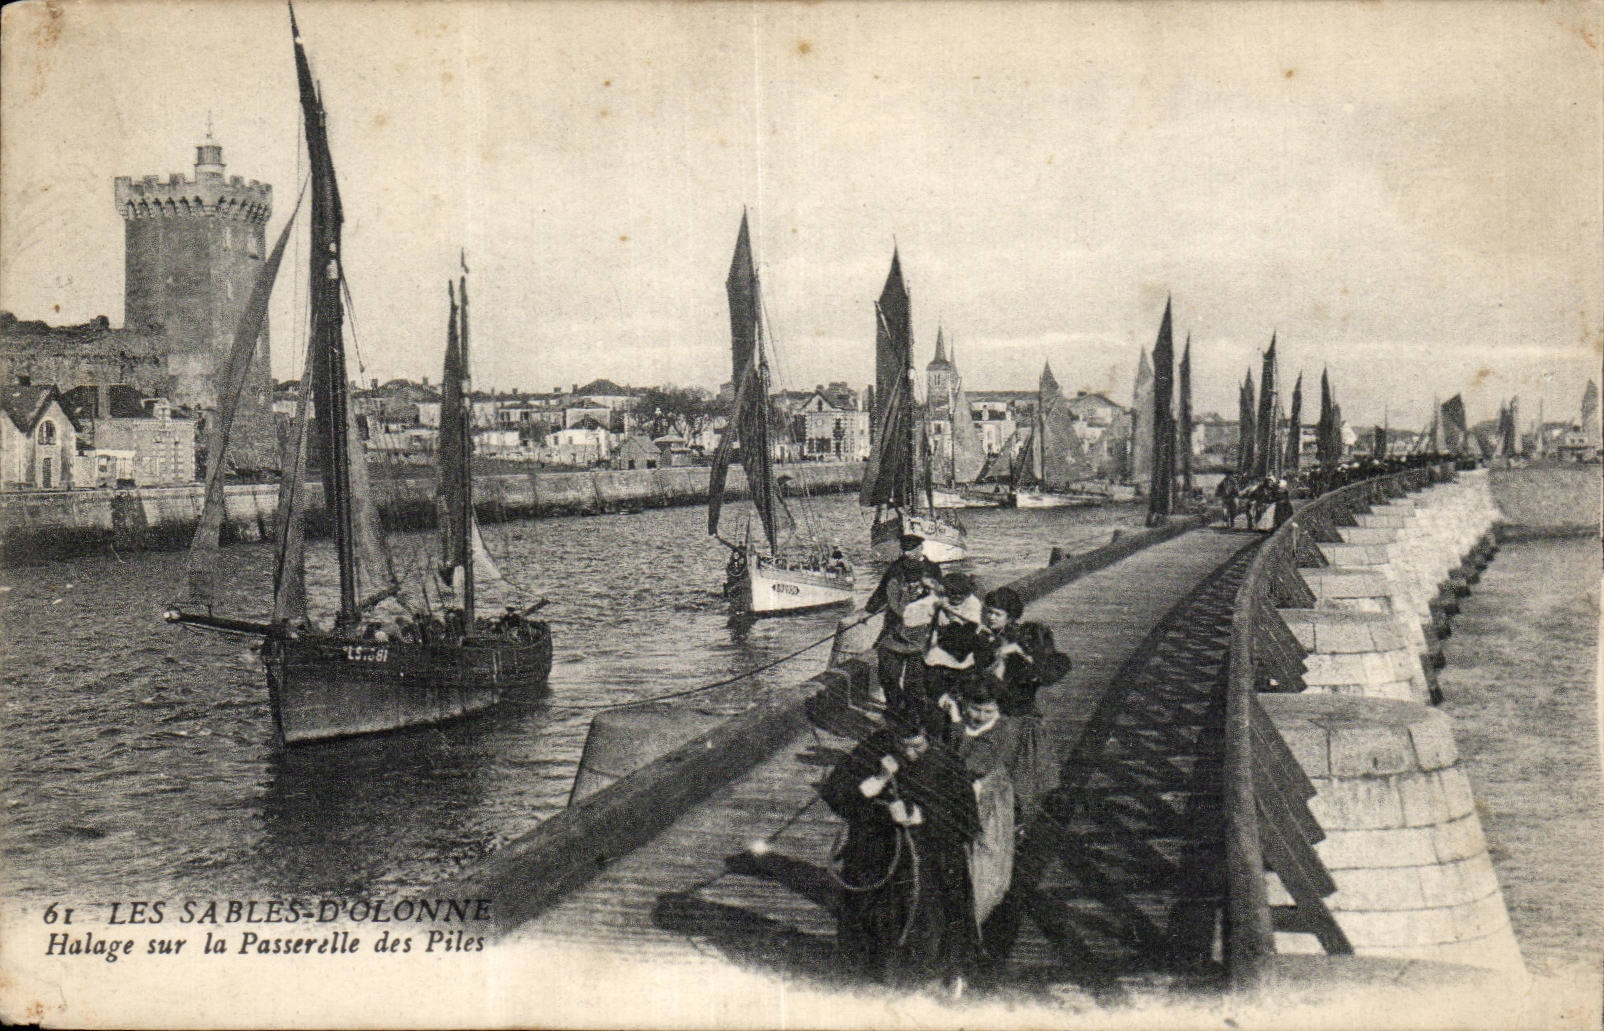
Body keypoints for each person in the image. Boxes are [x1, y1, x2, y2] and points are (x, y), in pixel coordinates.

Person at [820, 715, 981, 994]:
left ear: (928, 737)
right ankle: (872, 979)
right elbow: (836, 794)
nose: (910, 753)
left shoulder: (947, 763)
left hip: (930, 855)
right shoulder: (871, 752)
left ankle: (938, 978)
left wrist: (921, 817)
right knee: (874, 918)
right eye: (902, 746)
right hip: (881, 854)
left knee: (933, 919)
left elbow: (967, 822)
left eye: (917, 746)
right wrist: (879, 781)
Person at [864, 533, 944, 723]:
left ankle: (915, 716)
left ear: (921, 549)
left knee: (915, 683)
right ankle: (896, 708)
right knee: (888, 675)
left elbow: (940, 598)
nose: (907, 554)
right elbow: (881, 592)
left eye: (911, 550)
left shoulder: (933, 569)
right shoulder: (895, 568)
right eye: (905, 550)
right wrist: (867, 611)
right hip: (895, 629)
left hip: (922, 634)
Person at [923, 572, 984, 724]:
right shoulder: (942, 599)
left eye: (960, 594)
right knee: (934, 688)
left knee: (963, 691)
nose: (956, 598)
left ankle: (959, 719)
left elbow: (972, 623)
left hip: (963, 653)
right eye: (952, 593)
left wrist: (948, 610)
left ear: (967, 593)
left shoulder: (973, 603)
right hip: (939, 654)